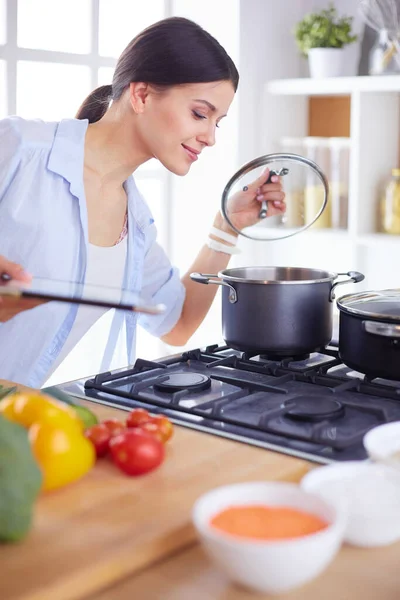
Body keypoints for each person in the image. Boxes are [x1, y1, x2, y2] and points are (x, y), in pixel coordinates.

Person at [0, 17, 285, 388]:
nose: (210, 137)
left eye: (219, 122)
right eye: (200, 113)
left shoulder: (135, 222)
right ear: (141, 95)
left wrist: (227, 225)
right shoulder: (19, 148)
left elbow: (177, 323)